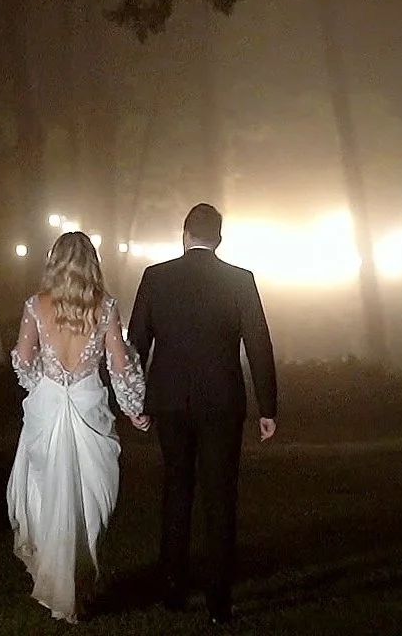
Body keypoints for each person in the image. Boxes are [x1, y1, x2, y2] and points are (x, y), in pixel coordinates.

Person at [128, 203, 277, 624]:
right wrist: (268, 406)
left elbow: (137, 343)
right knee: (220, 496)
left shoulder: (156, 278)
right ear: (219, 238)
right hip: (222, 401)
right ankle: (218, 599)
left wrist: (134, 399)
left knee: (177, 489)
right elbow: (259, 343)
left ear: (184, 234)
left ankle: (173, 587)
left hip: (171, 400)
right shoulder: (240, 281)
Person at [7, 231, 149, 623]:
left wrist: (42, 384)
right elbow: (120, 367)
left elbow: (22, 359)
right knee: (92, 500)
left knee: (45, 494)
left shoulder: (37, 306)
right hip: (88, 404)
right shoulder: (105, 308)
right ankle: (75, 586)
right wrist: (134, 407)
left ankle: (61, 583)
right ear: (92, 263)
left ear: (56, 262)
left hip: (49, 406)